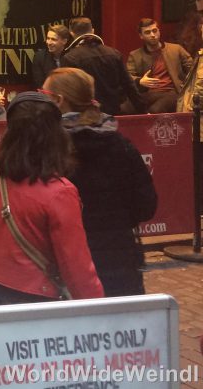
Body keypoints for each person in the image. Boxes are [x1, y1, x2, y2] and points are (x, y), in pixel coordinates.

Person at [0, 91, 104, 305]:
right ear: (56, 136)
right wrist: (99, 311)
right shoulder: (59, 193)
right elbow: (76, 267)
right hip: (38, 298)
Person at [43, 68, 157, 296]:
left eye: (43, 94)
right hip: (120, 260)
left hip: (67, 267)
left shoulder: (49, 151)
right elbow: (146, 205)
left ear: (58, 100)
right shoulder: (120, 145)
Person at [61, 18, 143, 116]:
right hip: (112, 114)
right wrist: (144, 111)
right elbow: (129, 86)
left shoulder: (70, 58)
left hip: (85, 117)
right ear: (92, 31)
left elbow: (69, 93)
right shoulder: (114, 54)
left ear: (72, 33)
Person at [125, 18, 192, 114]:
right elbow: (127, 76)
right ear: (141, 36)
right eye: (147, 32)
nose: (152, 35)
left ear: (159, 31)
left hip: (172, 92)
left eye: (154, 31)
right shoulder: (135, 55)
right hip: (149, 93)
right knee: (124, 107)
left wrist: (186, 88)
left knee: (155, 110)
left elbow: (193, 68)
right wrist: (139, 81)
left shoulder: (176, 49)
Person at [30, 24, 71, 89]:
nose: (49, 42)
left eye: (53, 39)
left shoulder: (72, 57)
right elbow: (40, 84)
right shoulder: (40, 57)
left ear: (64, 41)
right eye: (48, 38)